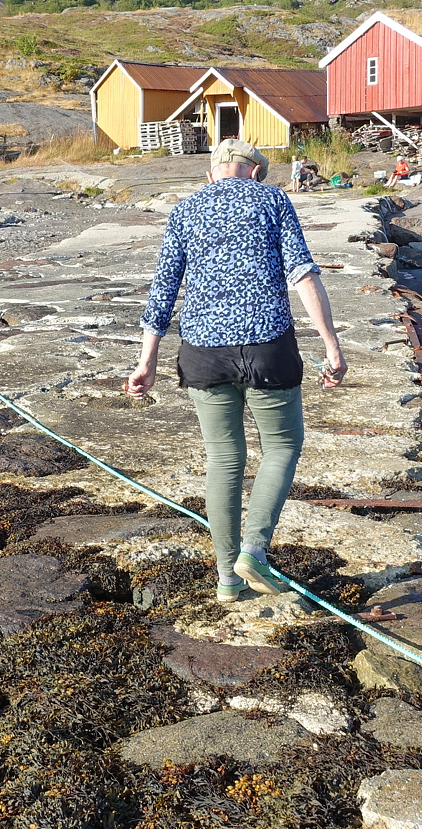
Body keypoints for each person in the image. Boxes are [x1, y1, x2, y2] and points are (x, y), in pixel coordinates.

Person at [127, 139, 346, 603]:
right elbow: (303, 275)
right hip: (268, 347)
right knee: (283, 444)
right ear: (254, 172)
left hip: (203, 353)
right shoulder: (272, 199)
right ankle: (254, 551)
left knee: (224, 459)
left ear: (212, 174)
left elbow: (163, 289)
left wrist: (147, 360)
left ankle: (227, 579)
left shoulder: (185, 210)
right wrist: (331, 345)